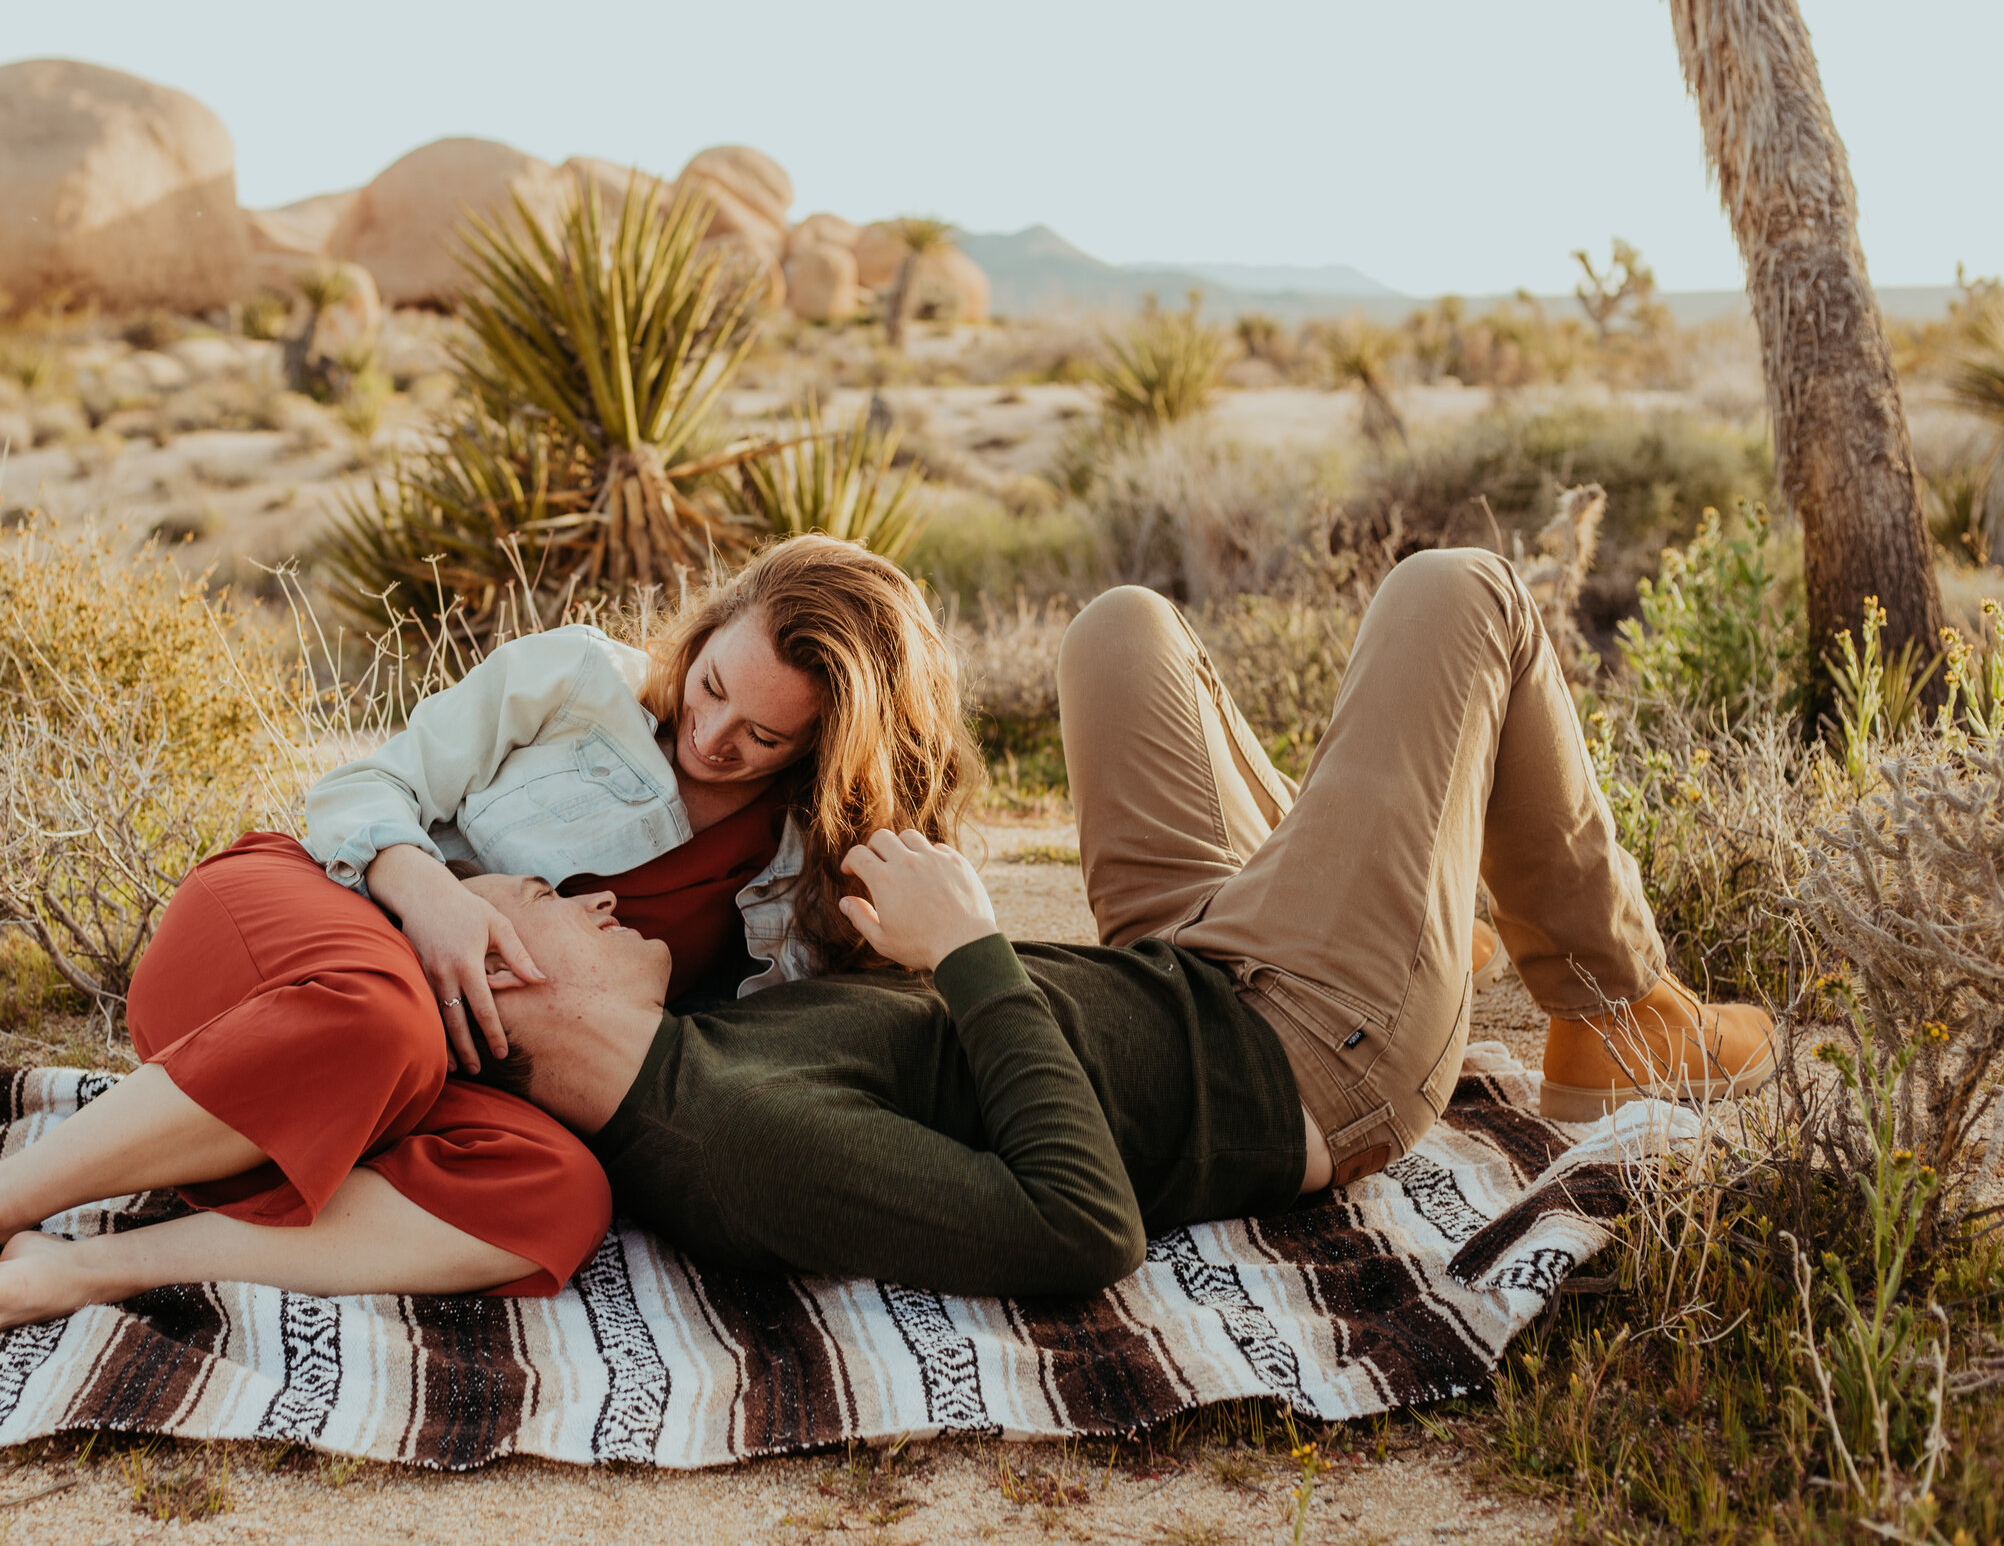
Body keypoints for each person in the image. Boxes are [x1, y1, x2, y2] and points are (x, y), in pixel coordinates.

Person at [446, 549, 1779, 1297]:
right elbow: (1081, 1229)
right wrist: (967, 949)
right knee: (1459, 590)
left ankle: (1406, 896)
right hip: (1313, 1049)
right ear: (513, 987)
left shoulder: (685, 1047)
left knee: (1118, 627)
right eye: (542, 906)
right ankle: (1615, 1012)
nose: (595, 897)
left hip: (1180, 964)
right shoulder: (732, 1139)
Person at [0, 832, 612, 1349]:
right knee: (386, 1021)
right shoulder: (570, 689)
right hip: (323, 905)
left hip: (419, 1064)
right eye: (547, 890)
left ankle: (87, 1269)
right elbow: (377, 779)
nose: (601, 904)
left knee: (563, 1193)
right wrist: (427, 886)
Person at [303, 534, 981, 1074]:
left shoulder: (813, 860)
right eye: (711, 685)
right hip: (364, 953)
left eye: (764, 735)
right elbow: (358, 788)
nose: (711, 738)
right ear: (708, 630)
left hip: (509, 1075)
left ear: (828, 748)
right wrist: (432, 897)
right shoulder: (574, 678)